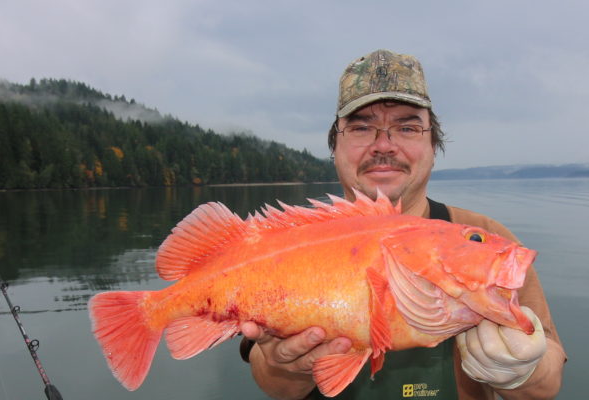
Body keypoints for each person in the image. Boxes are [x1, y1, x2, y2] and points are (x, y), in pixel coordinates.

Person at [239, 49, 566, 400]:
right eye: (361, 127)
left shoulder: (486, 238)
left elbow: (546, 385)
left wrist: (523, 370)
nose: (384, 145)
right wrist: (285, 366)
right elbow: (274, 383)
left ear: (433, 146)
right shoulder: (291, 242)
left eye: (407, 127)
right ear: (335, 147)